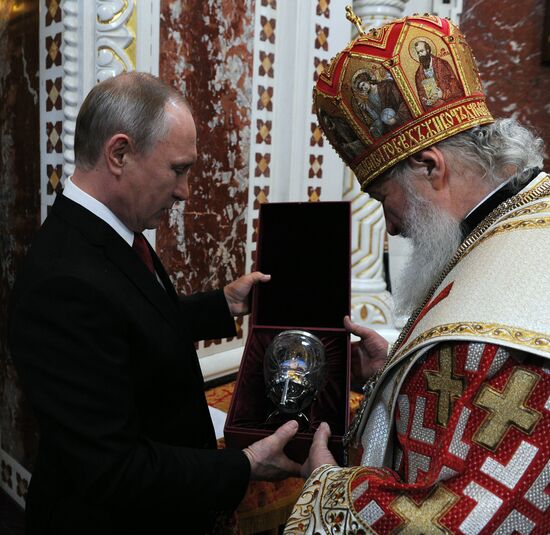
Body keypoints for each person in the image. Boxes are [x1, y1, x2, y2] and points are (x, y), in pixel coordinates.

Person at [287, 11, 550, 534]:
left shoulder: (517, 293)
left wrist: (327, 488)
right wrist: (398, 373)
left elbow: (470, 515)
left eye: (384, 197)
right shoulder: (520, 216)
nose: (388, 225)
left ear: (431, 167)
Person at [8, 72, 302, 535]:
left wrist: (222, 303)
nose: (185, 191)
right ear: (119, 153)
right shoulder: (62, 284)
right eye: (178, 169)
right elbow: (114, 470)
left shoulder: (107, 234)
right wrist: (244, 467)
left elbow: (129, 319)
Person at [414, 39, 464, 110]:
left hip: (452, 104)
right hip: (435, 108)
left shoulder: (442, 64)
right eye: (418, 53)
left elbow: (454, 85)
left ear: (428, 50)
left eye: (422, 51)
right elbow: (421, 93)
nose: (420, 55)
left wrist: (443, 94)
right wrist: (426, 100)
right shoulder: (419, 74)